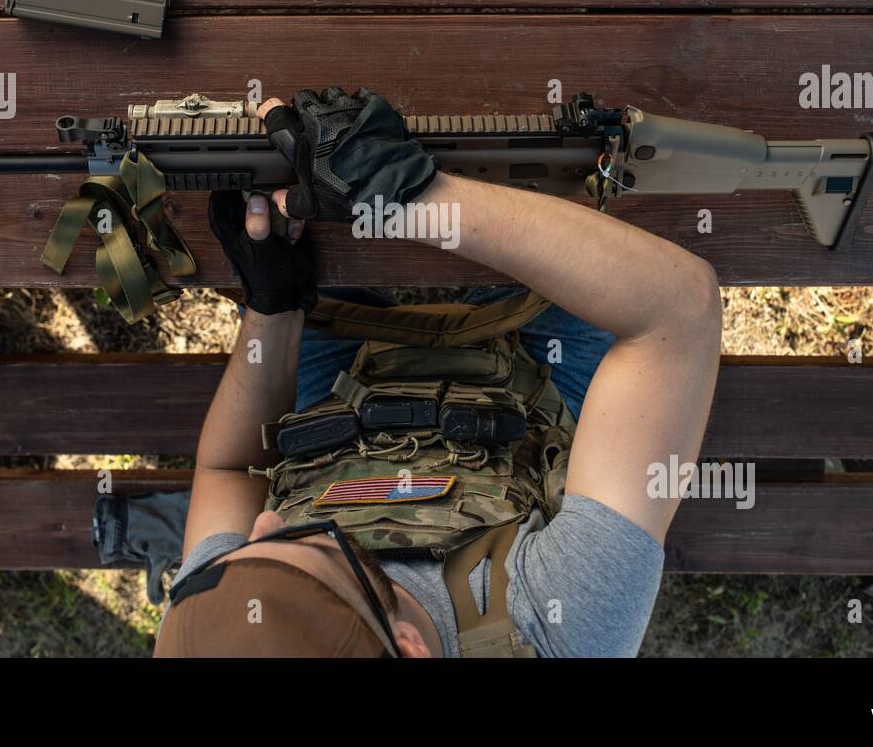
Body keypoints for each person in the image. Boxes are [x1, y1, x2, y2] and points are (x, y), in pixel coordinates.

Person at [153, 87, 721, 657]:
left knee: (287, 174)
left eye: (247, 551)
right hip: (529, 395)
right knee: (554, 144)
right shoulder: (559, 630)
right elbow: (676, 308)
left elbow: (229, 470)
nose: (263, 524)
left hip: (337, 409)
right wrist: (413, 196)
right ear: (408, 647)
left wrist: (271, 305)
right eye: (313, 547)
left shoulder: (214, 627)